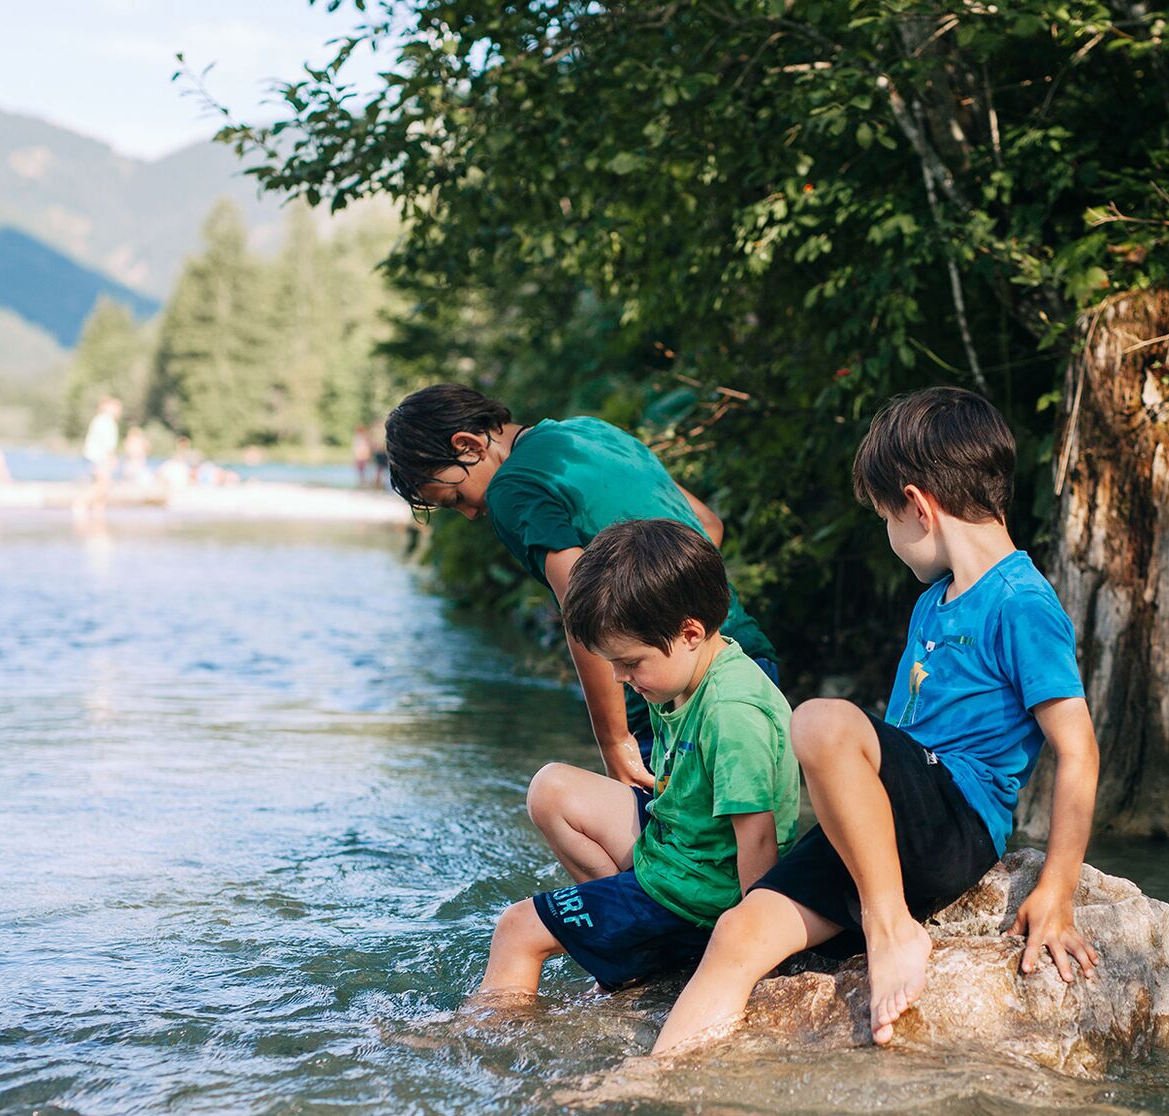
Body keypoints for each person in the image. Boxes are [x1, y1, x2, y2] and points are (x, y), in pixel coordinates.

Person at [650, 387, 1102, 1055]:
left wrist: (1058, 888)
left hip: (955, 822)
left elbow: (1079, 749)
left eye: (886, 518)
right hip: (895, 829)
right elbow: (893, 748)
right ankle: (657, 1078)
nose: (889, 537)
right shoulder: (934, 604)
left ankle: (890, 927)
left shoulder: (1022, 604)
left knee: (821, 722)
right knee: (739, 933)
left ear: (918, 508)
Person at [386, 384, 779, 789]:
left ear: (468, 445)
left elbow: (584, 606)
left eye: (454, 496)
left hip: (667, 695)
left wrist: (614, 741)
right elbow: (708, 524)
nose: (469, 514)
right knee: (746, 832)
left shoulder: (510, 489)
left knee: (664, 846)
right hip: (746, 657)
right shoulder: (594, 432)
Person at [476, 519, 799, 996]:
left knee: (517, 930)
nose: (621, 678)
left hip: (701, 893)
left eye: (629, 663)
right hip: (679, 849)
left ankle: (477, 1042)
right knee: (551, 789)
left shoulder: (732, 712)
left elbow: (757, 840)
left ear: (689, 632)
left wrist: (758, 957)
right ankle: (632, 948)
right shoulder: (690, 672)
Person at [82, 396, 121, 508]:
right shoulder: (106, 421)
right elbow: (107, 443)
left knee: (100, 485)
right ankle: (81, 505)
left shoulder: (100, 419)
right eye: (117, 407)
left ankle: (97, 510)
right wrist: (112, 458)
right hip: (98, 458)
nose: (119, 411)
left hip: (94, 457)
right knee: (102, 486)